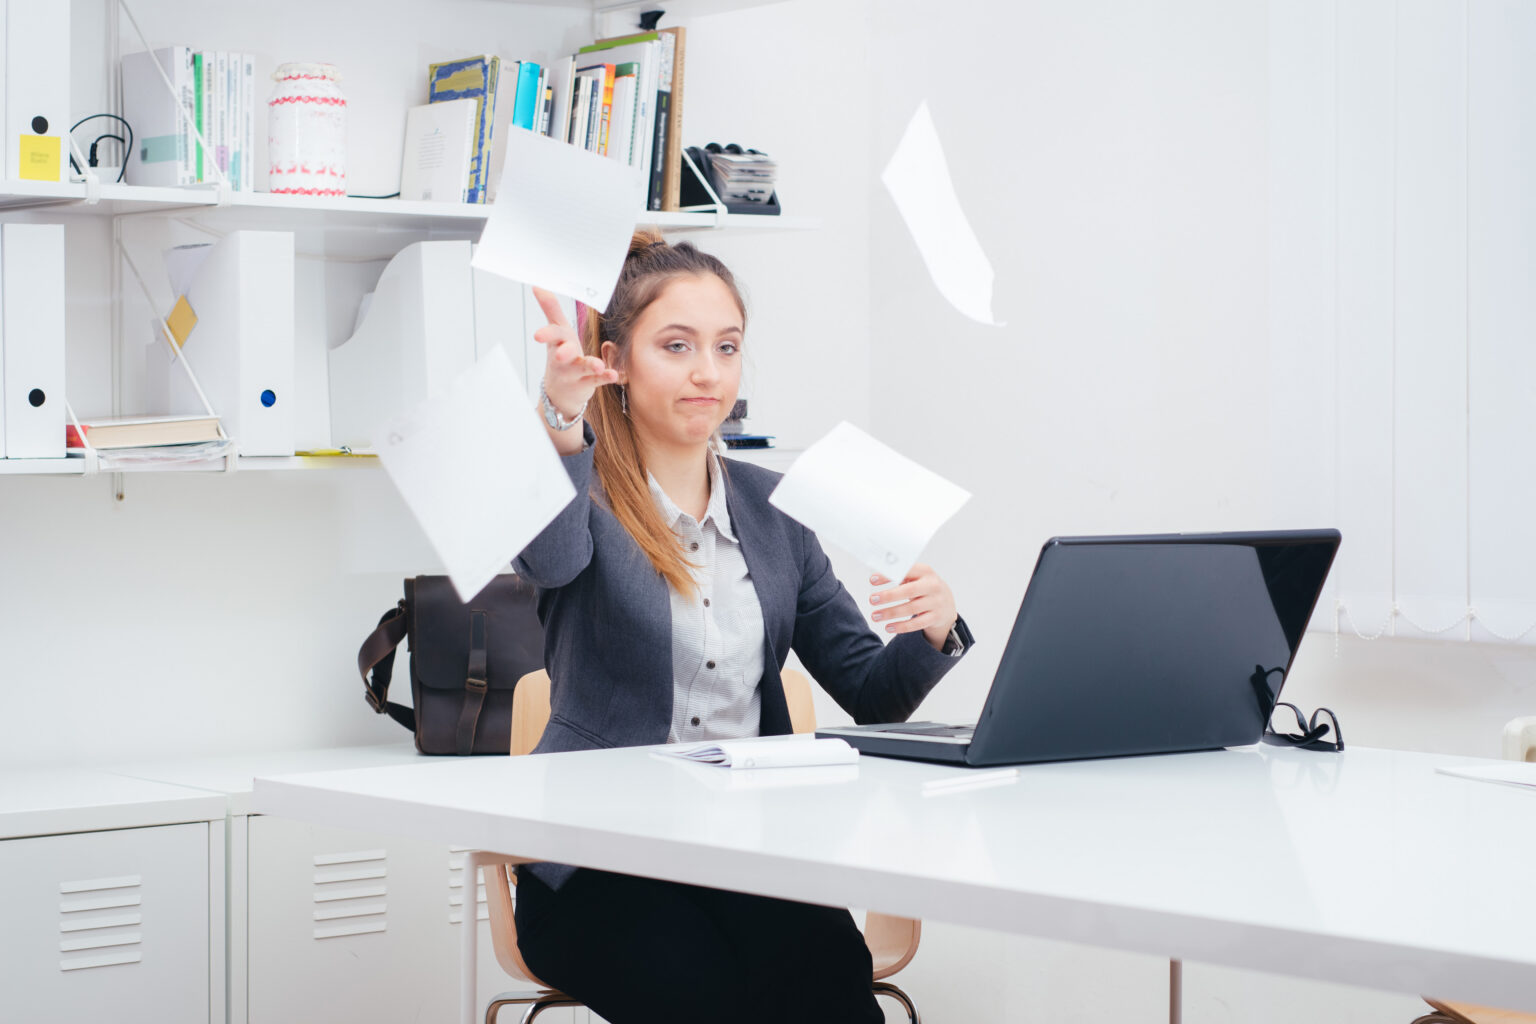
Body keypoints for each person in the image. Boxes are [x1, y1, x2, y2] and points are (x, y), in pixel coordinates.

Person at [510, 228, 974, 1024]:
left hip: (745, 854)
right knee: (705, 994)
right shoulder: (582, 500)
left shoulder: (776, 509)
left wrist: (932, 631)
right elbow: (548, 561)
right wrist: (559, 417)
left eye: (726, 347)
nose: (707, 373)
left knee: (835, 980)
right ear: (615, 362)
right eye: (677, 346)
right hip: (597, 863)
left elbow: (871, 691)